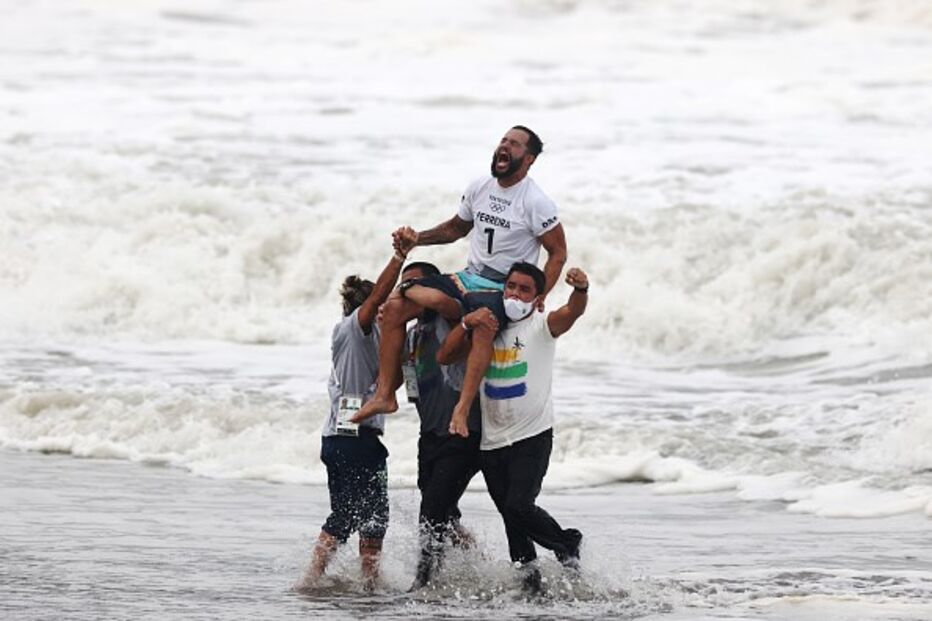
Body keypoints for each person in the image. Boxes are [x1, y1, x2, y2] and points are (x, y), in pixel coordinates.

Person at [353, 125, 567, 430]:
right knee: (396, 307)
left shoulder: (536, 201)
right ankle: (386, 393)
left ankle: (462, 409)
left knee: (481, 324)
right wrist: (417, 240)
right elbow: (456, 228)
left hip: (500, 288)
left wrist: (539, 294)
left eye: (515, 144)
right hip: (468, 278)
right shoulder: (480, 186)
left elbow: (558, 252)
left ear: (529, 159)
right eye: (503, 140)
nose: (505, 146)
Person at [437, 261, 589, 594]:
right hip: (492, 440)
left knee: (519, 506)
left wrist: (580, 290)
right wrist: (466, 322)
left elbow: (572, 313)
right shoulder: (488, 325)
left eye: (524, 289)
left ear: (537, 298)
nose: (514, 294)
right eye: (511, 286)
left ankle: (566, 542)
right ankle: (530, 582)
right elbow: (444, 356)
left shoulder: (541, 326)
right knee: (511, 519)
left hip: (531, 435)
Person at [295, 234, 415, 594]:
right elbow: (378, 297)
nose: (385, 311)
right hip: (351, 437)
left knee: (362, 518)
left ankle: (361, 583)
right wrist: (399, 258)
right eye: (380, 307)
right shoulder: (352, 330)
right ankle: (316, 580)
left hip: (345, 438)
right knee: (360, 516)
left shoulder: (376, 338)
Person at [396, 260, 486, 590]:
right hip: (430, 435)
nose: (410, 294)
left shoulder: (452, 319)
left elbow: (437, 300)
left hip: (462, 433)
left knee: (431, 510)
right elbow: (408, 385)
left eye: (416, 286)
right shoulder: (410, 335)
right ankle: (473, 559)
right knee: (442, 511)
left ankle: (424, 582)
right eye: (405, 287)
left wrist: (406, 288)